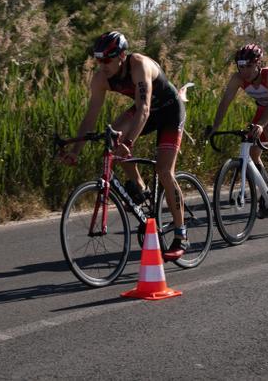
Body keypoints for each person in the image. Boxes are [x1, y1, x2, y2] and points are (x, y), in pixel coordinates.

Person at [60, 31, 190, 261]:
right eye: (98, 60)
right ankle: (142, 190)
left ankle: (181, 234)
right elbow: (90, 117)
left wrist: (129, 141)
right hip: (146, 111)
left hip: (169, 110)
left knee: (164, 170)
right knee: (113, 138)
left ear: (121, 55)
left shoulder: (138, 64)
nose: (102, 65)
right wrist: (75, 151)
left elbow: (144, 110)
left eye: (107, 60)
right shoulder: (101, 78)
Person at [203, 44, 268, 200]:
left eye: (249, 66)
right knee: (252, 152)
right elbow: (225, 102)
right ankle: (267, 190)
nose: (244, 71)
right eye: (241, 67)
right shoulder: (237, 78)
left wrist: (261, 124)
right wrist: (215, 126)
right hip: (262, 109)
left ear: (258, 64)